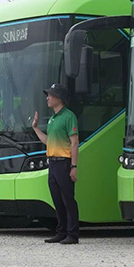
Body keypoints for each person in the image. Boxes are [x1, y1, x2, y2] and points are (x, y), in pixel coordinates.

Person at [32, 83, 80, 245]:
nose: (47, 98)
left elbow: (74, 143)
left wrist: (73, 167)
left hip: (64, 163)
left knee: (68, 199)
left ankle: (72, 234)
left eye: (50, 95)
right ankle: (61, 232)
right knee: (57, 199)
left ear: (59, 98)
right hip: (52, 163)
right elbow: (48, 141)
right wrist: (36, 128)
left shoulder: (68, 116)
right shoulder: (53, 119)